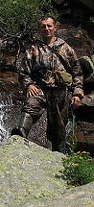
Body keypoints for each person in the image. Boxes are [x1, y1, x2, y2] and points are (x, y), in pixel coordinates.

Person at [11, 15, 84, 153]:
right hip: (40, 88)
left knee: (59, 127)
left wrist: (77, 94)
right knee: (30, 106)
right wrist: (28, 85)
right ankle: (19, 135)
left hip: (61, 91)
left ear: (55, 27)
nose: (46, 29)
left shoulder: (66, 48)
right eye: (43, 26)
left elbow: (77, 72)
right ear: (39, 29)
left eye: (49, 26)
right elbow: (23, 71)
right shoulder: (33, 49)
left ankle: (59, 155)